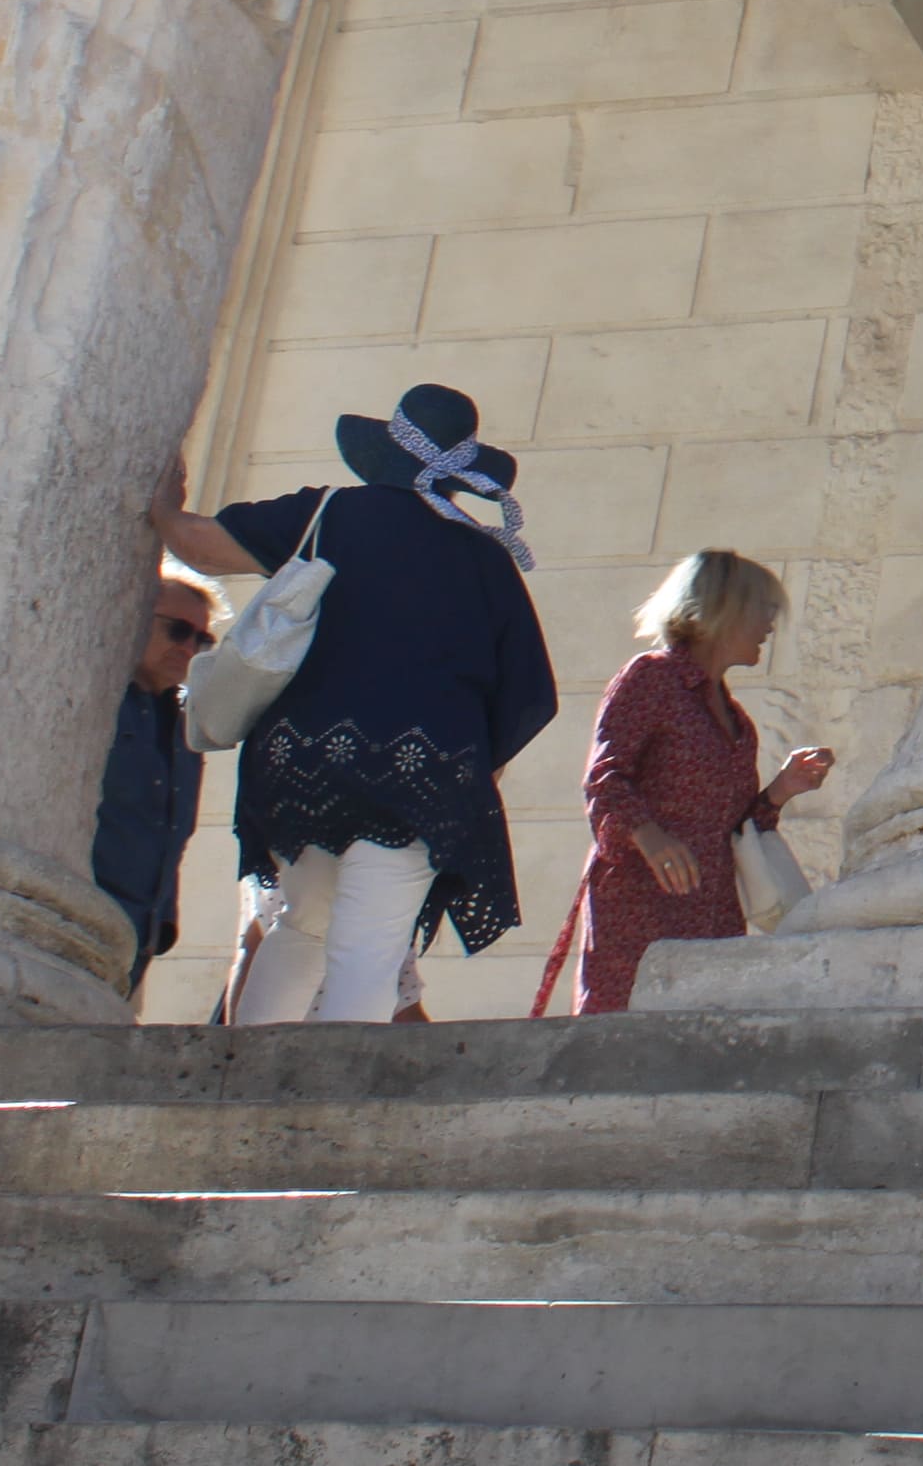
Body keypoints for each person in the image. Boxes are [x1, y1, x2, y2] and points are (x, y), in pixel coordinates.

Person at [145, 382, 557, 1024]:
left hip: (305, 762)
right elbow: (531, 696)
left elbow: (199, 547)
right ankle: (330, 1105)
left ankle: (237, 1075)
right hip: (423, 773)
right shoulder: (486, 558)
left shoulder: (332, 512)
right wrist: (476, 769)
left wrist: (165, 510)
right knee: (369, 951)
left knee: (302, 926)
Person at [549, 549, 833, 1014]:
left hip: (715, 912)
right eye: (763, 608)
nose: (769, 625)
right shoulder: (651, 678)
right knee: (623, 1036)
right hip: (641, 902)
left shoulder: (737, 719)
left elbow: (735, 828)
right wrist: (651, 836)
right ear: (725, 608)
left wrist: (781, 790)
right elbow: (604, 779)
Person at [94, 573, 216, 998]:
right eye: (177, 630)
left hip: (134, 946)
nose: (187, 648)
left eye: (201, 639)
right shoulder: (98, 702)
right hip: (79, 923)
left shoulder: (186, 733)